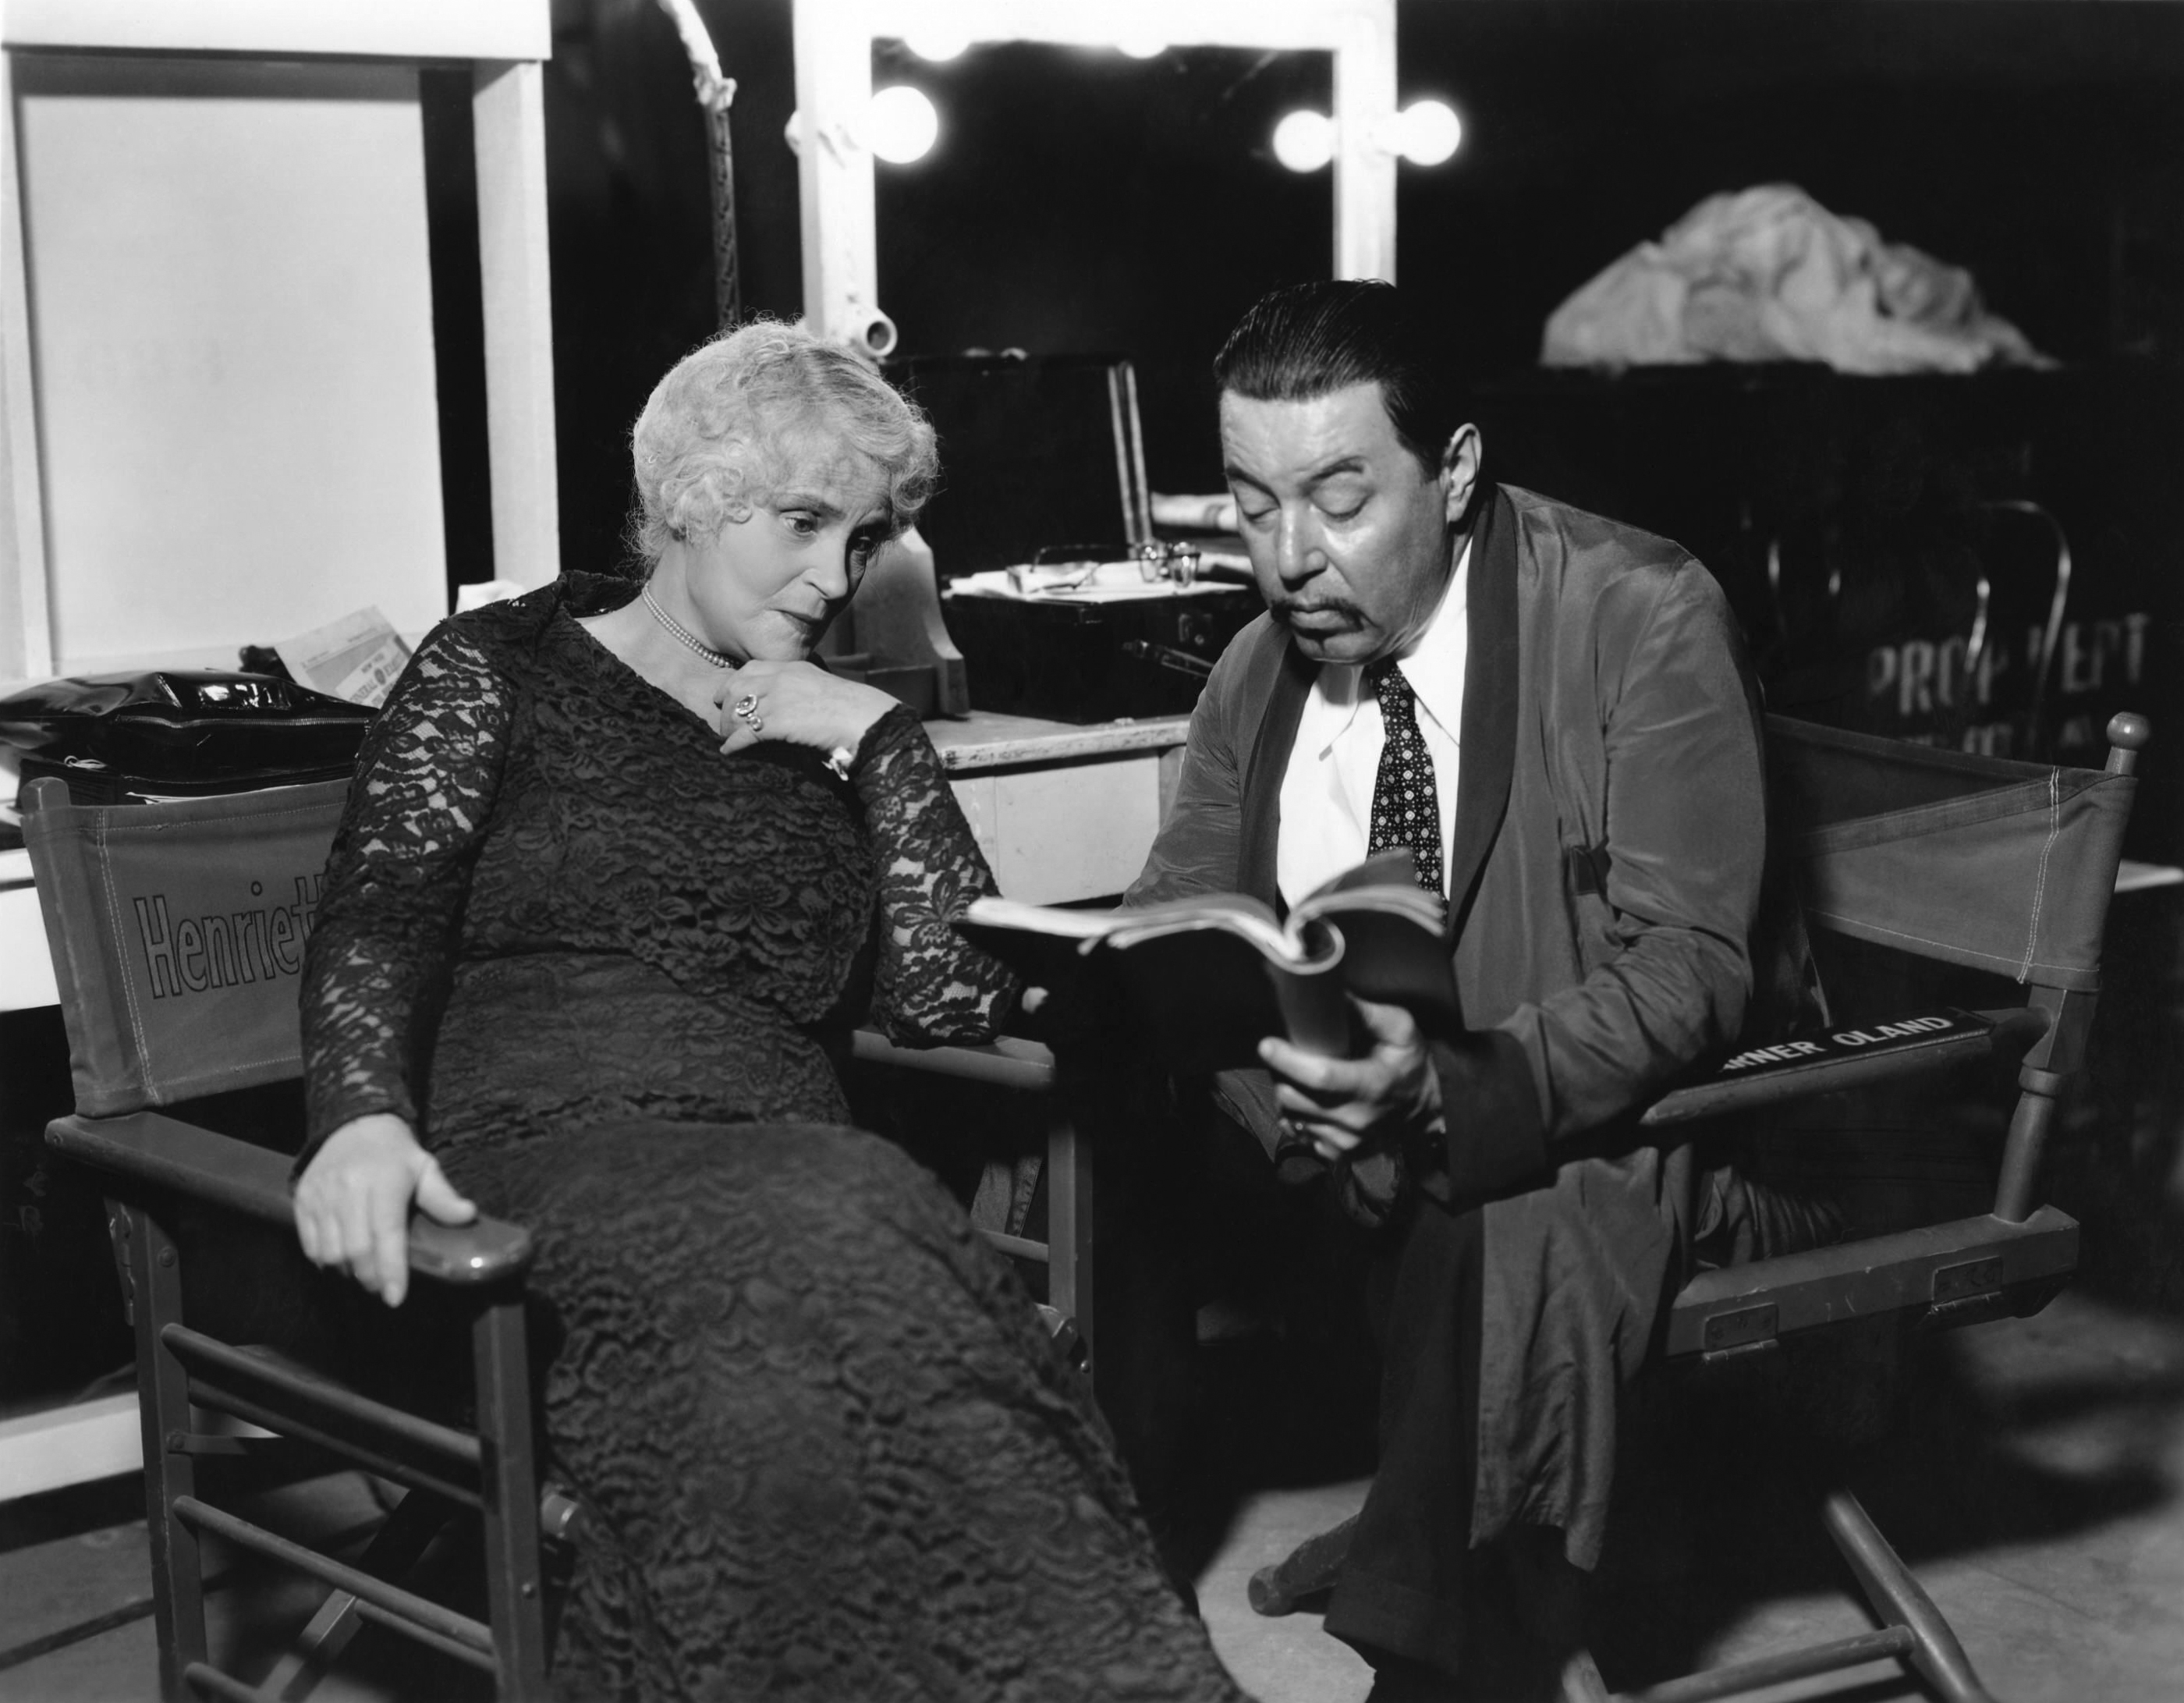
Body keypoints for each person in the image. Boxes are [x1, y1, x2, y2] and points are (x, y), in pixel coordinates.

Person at [289, 321, 1245, 1703]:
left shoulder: (828, 725)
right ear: (692, 498)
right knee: (864, 1224)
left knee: (806, 1397)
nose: (835, 578)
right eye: (803, 523)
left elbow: (951, 995)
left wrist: (877, 740)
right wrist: (360, 1119)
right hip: (543, 1158)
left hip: (786, 1175)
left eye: (864, 540)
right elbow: (379, 911)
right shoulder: (505, 665)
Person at [1124, 280, 1783, 1700]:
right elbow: (1178, 920)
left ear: (1459, 468)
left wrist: (1435, 1092)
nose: (1289, 558)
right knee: (1081, 1129)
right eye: (1251, 503)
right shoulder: (1256, 671)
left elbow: (1692, 971)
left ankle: (1432, 1653)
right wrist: (1259, 1076)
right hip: (1332, 1144)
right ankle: (1093, 1603)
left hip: (1629, 1139)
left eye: (1340, 499)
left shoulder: (1637, 615)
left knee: (1504, 1195)